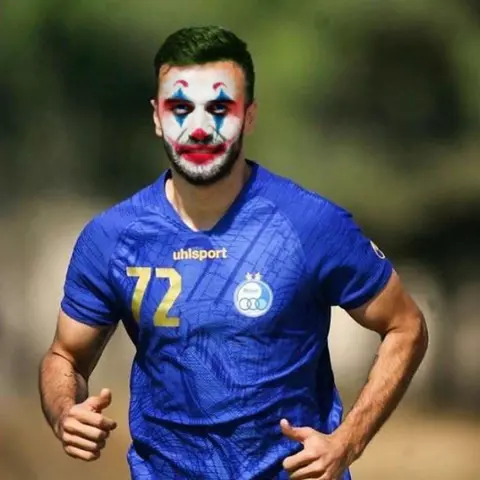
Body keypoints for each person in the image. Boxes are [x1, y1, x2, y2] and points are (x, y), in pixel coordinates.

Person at [38, 25, 428, 480]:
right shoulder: (112, 238)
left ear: (249, 115)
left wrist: (348, 441)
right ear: (157, 117)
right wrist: (64, 412)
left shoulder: (310, 224)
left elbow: (406, 326)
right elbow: (64, 357)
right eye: (180, 108)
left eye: (219, 109)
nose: (199, 127)